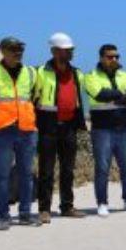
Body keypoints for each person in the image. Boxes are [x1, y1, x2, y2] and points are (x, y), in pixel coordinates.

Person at [35, 32, 87, 224]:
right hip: (48, 127)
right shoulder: (40, 72)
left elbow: (82, 96)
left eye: (70, 50)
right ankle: (44, 209)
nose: (70, 53)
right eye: (66, 50)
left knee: (68, 169)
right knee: (46, 170)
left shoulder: (77, 73)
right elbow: (33, 98)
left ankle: (67, 206)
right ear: (54, 51)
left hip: (69, 127)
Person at [84, 44, 126, 218]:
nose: (114, 59)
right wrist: (120, 95)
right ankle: (102, 203)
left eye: (116, 56)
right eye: (110, 57)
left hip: (124, 128)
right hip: (102, 130)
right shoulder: (91, 76)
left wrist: (115, 96)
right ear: (101, 58)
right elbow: (100, 95)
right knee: (102, 168)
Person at [0, 37, 38, 229]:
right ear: (3, 51)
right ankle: (3, 216)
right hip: (2, 130)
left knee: (26, 174)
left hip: (27, 130)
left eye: (20, 49)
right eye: (13, 49)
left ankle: (25, 214)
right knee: (2, 175)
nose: (18, 52)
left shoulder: (30, 73)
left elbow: (35, 97)